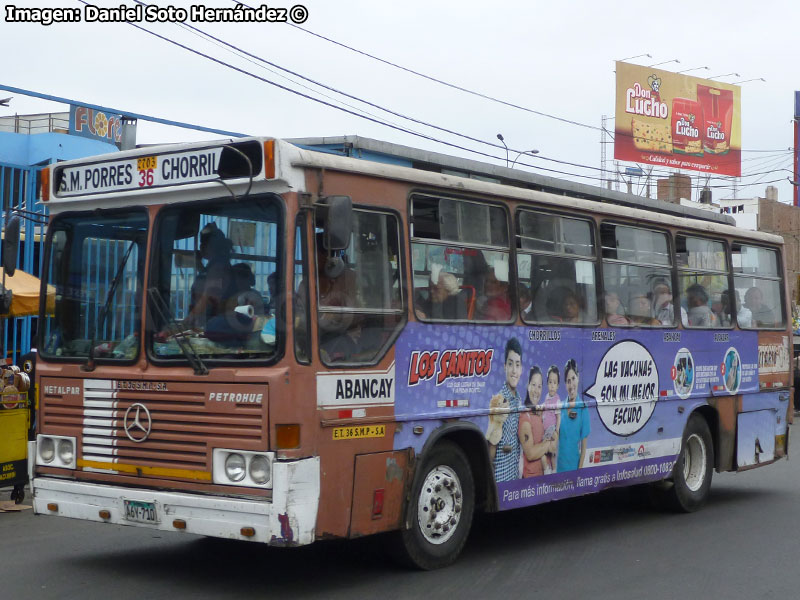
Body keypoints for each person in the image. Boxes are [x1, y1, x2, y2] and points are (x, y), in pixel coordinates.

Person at [184, 222, 235, 329]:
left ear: (210, 246)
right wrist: (199, 264)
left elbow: (209, 294)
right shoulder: (217, 264)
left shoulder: (217, 267)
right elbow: (207, 280)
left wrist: (191, 317)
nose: (200, 247)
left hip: (211, 323)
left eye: (202, 244)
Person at [485, 337, 522, 482]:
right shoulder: (498, 401)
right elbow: (491, 451)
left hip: (515, 478)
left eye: (517, 365)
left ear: (521, 369)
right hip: (500, 479)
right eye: (510, 364)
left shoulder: (519, 400)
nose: (514, 371)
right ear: (505, 366)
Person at [518, 366, 557, 478]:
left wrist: (553, 440)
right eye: (533, 385)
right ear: (528, 385)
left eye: (539, 386)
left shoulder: (541, 413)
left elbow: (554, 444)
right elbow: (530, 454)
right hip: (532, 482)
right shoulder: (525, 417)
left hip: (545, 477)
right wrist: (548, 445)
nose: (536, 390)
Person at [557, 358, 590, 472]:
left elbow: (584, 449)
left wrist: (578, 474)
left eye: (573, 379)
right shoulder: (560, 407)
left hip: (573, 470)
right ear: (565, 384)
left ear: (578, 378)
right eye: (568, 381)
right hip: (558, 469)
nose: (571, 385)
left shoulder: (583, 409)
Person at [540, 365, 561, 473]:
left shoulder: (557, 400)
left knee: (552, 453)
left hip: (552, 430)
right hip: (545, 431)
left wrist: (557, 430)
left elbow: (558, 416)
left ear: (557, 386)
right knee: (543, 452)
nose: (552, 386)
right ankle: (546, 469)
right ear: (547, 384)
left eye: (555, 383)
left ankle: (553, 470)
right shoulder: (547, 398)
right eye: (550, 382)